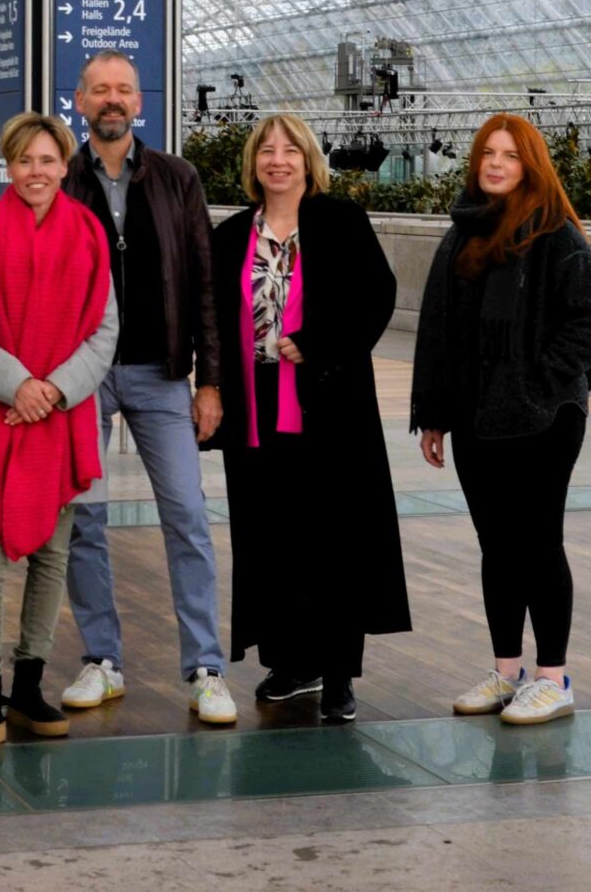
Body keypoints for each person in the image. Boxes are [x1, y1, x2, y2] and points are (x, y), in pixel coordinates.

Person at [408, 113, 591, 727]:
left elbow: (590, 324)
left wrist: (537, 383)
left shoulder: (555, 235)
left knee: (537, 542)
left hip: (544, 417)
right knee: (497, 546)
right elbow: (442, 335)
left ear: (531, 166)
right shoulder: (461, 236)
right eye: (487, 154)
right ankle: (505, 673)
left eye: (510, 156)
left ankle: (553, 678)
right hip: (476, 417)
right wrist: (436, 415)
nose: (496, 164)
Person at [57, 49, 237, 728]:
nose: (112, 99)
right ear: (80, 101)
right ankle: (100, 659)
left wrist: (210, 379)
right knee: (86, 520)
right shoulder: (62, 178)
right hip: (83, 376)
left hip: (163, 374)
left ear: (139, 103)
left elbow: (204, 285)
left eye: (123, 90)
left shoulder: (176, 178)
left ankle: (205, 667)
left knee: (188, 518)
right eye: (100, 89)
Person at [209, 114, 407, 724]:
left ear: (308, 160)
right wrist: (208, 386)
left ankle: (340, 673)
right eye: (266, 151)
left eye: (289, 150)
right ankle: (290, 661)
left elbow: (377, 297)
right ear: (254, 165)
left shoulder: (341, 222)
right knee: (271, 532)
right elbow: (214, 318)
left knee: (334, 536)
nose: (277, 160)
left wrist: (319, 341)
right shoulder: (233, 233)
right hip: (256, 410)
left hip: (330, 406)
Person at [0, 113, 121, 755]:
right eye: (24, 161)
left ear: (63, 165)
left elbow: (104, 331)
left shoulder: (90, 234)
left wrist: (54, 391)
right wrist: (20, 385)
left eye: (47, 160)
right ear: (7, 167)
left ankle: (29, 685)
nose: (36, 171)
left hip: (61, 418)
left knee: (52, 553)